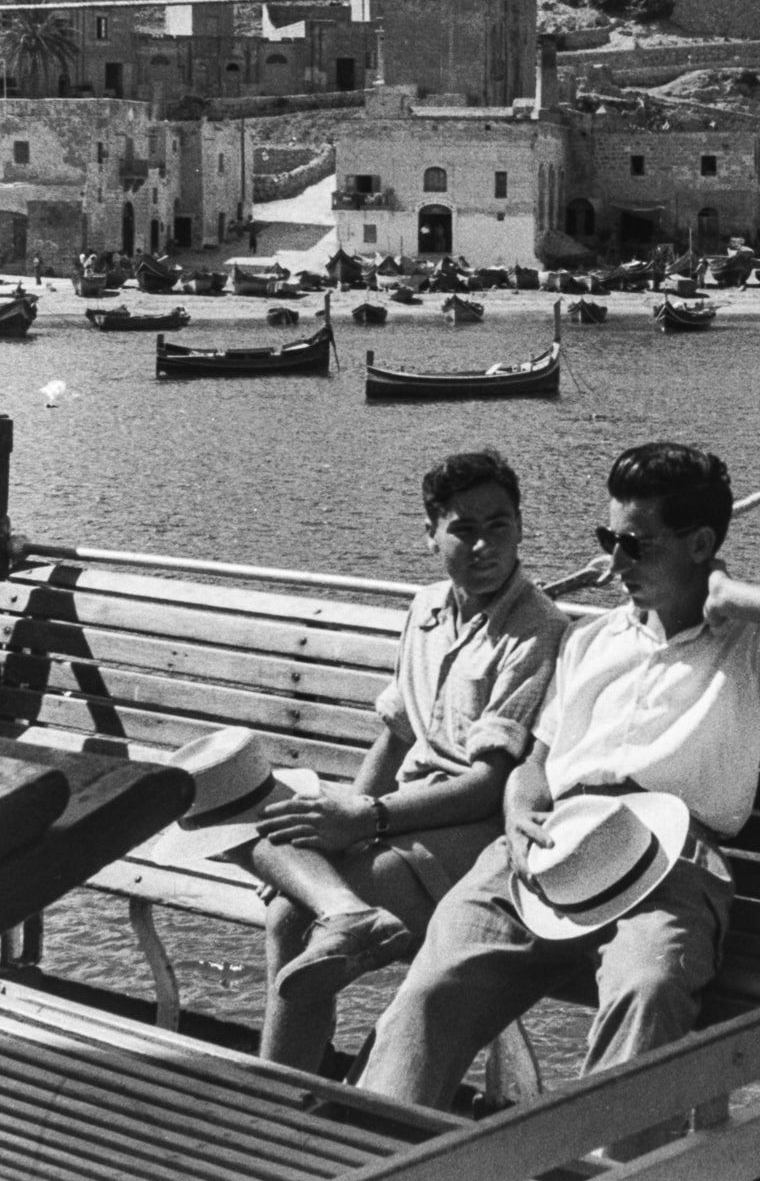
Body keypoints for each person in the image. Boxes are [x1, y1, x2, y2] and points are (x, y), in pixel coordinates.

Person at [356, 441, 760, 1144]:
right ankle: (384, 1156)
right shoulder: (589, 640)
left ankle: (606, 1163)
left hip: (670, 868)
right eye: (610, 540)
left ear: (699, 544)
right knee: (430, 994)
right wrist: (517, 804)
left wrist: (728, 594)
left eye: (637, 545)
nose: (617, 563)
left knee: (646, 992)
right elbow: (538, 761)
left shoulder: (751, 650)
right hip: (547, 850)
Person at [217, 448, 565, 1071]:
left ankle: (278, 1095)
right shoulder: (426, 608)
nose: (484, 546)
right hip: (399, 813)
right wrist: (340, 817)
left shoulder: (537, 629)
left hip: (471, 834)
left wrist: (364, 820)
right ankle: (339, 922)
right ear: (430, 534)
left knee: (292, 914)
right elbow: (399, 733)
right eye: (463, 528)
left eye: (499, 526)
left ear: (520, 528)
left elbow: (490, 785)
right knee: (258, 835)